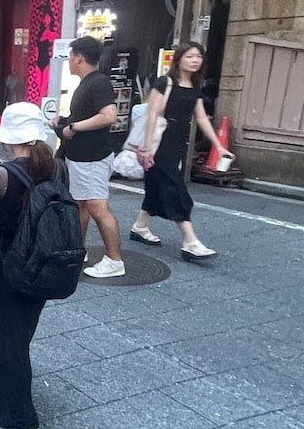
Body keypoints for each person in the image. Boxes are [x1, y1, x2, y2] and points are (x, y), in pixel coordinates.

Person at [0, 103, 58, 429]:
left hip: (13, 262)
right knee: (22, 328)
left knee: (10, 338)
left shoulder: (1, 173)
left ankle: (21, 416)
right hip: (47, 257)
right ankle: (3, 358)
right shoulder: (55, 167)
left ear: (9, 139)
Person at [130, 41, 225, 261]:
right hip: (159, 142)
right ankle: (190, 241)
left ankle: (140, 227)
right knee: (175, 187)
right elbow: (152, 114)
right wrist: (146, 147)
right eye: (190, 56)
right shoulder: (165, 82)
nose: (195, 60)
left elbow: (201, 117)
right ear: (179, 58)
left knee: (155, 185)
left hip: (178, 142)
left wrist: (218, 146)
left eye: (198, 57)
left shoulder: (195, 86)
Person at [53, 36, 123, 278]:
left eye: (71, 56)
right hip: (82, 156)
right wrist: (63, 122)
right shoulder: (88, 83)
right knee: (81, 205)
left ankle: (114, 260)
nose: (69, 61)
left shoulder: (98, 82)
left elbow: (109, 115)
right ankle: (77, 250)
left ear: (79, 57)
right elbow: (85, 115)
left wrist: (74, 128)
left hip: (92, 157)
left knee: (96, 207)